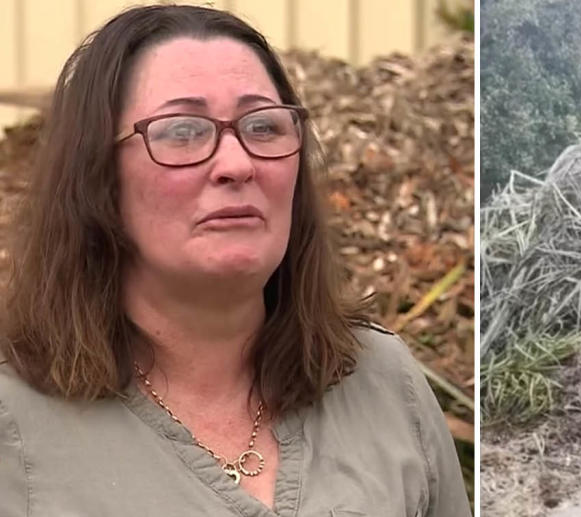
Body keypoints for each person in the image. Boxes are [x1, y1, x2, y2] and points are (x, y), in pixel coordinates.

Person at [0, 5, 471, 516]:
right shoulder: (16, 424)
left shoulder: (381, 382)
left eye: (264, 127)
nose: (237, 164)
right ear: (97, 177)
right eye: (182, 131)